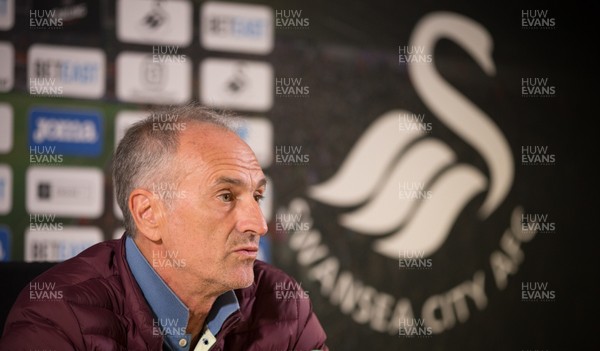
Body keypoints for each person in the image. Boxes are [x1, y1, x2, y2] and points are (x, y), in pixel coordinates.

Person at [0, 104, 328, 350]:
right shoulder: (56, 318)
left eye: (257, 196)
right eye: (226, 195)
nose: (258, 223)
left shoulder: (283, 304)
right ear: (148, 213)